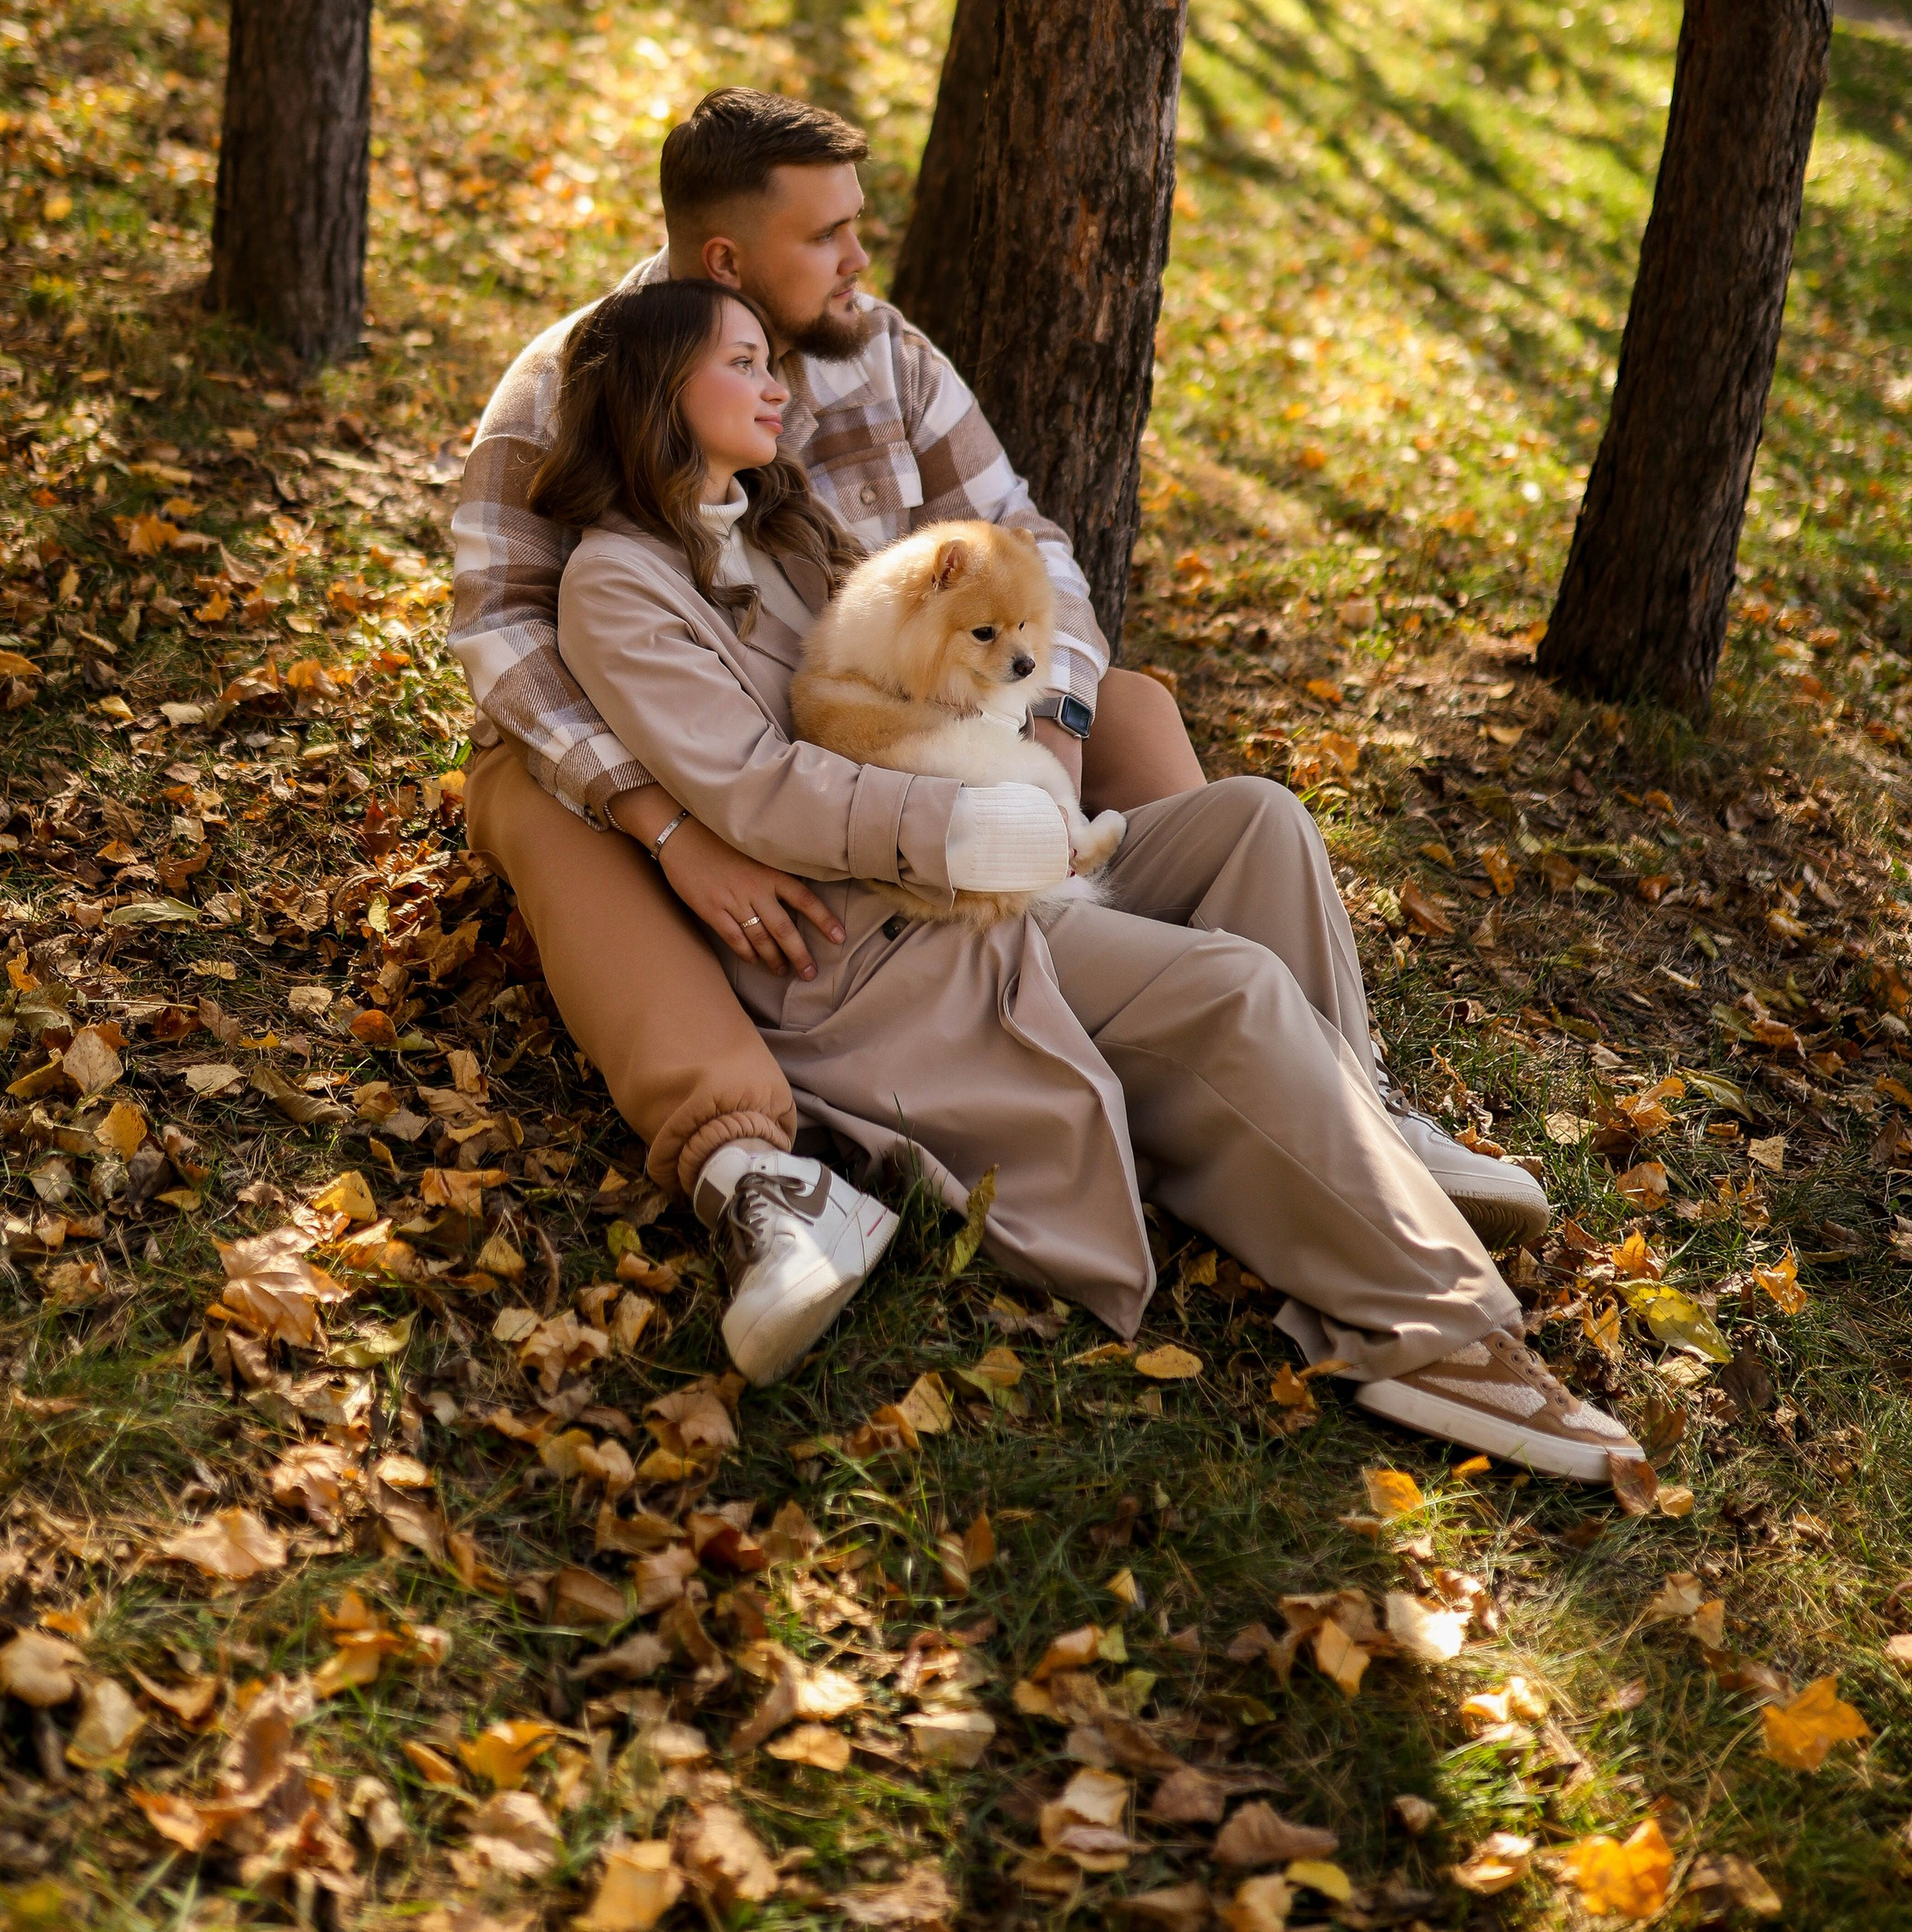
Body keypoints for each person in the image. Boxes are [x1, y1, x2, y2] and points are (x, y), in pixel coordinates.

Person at [451, 88, 1545, 1373]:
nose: (862, 261)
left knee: (1154, 725)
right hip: (701, 775)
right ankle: (758, 1171)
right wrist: (674, 823)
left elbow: (1035, 554)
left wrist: (1051, 734)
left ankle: (1322, 1087)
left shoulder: (889, 357)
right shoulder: (575, 384)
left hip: (935, 731)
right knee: (528, 796)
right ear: (727, 261)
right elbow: (504, 640)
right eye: (830, 238)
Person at [526, 275, 1641, 1480]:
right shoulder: (617, 584)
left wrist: (1036, 751)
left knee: (1255, 821)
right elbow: (752, 787)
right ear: (659, 392)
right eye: (742, 364)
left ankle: (1360, 1134)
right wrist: (965, 833)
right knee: (1228, 990)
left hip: (984, 853)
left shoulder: (785, 527)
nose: (775, 385)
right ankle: (1438, 1334)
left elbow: (943, 653)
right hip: (889, 936)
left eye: (770, 361)